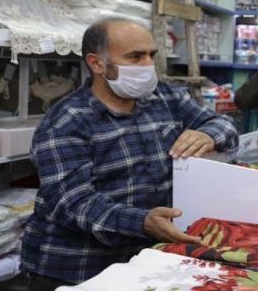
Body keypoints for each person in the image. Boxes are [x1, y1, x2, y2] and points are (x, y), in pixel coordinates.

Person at [20, 18, 239, 290]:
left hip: (148, 259)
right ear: (97, 63)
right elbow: (73, 203)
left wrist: (209, 135)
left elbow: (224, 124)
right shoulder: (67, 122)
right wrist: (142, 222)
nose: (148, 65)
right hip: (77, 267)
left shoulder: (166, 98)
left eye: (151, 55)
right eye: (135, 57)